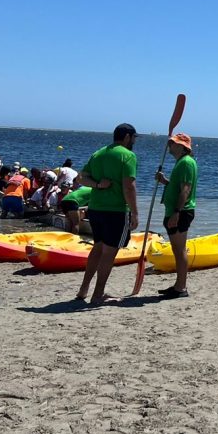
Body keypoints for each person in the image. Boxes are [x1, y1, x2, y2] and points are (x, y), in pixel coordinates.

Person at [76, 123, 140, 305]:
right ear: (127, 137)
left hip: (95, 209)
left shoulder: (99, 153)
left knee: (98, 248)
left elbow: (81, 178)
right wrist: (135, 212)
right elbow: (129, 186)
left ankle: (83, 289)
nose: (134, 141)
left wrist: (97, 185)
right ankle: (98, 294)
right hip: (116, 211)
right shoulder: (128, 155)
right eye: (134, 138)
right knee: (109, 253)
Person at [154, 133, 197, 298]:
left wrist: (177, 213)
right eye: (170, 143)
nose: (170, 146)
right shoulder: (181, 162)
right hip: (175, 211)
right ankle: (179, 285)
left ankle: (181, 287)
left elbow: (185, 189)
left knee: (179, 250)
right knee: (176, 250)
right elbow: (177, 186)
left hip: (181, 211)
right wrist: (164, 181)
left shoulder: (186, 162)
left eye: (173, 143)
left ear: (183, 146)